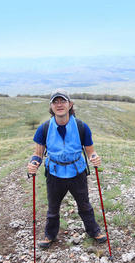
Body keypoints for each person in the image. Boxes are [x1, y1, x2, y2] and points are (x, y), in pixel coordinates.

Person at [27, 89, 107, 249]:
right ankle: (50, 235)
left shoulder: (81, 127)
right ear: (51, 106)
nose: (59, 105)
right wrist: (33, 163)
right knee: (53, 208)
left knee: (84, 205)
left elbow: (91, 152)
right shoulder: (44, 128)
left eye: (62, 101)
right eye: (55, 102)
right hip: (54, 173)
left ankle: (94, 231)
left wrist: (94, 159)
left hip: (77, 173)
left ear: (70, 105)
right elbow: (38, 154)